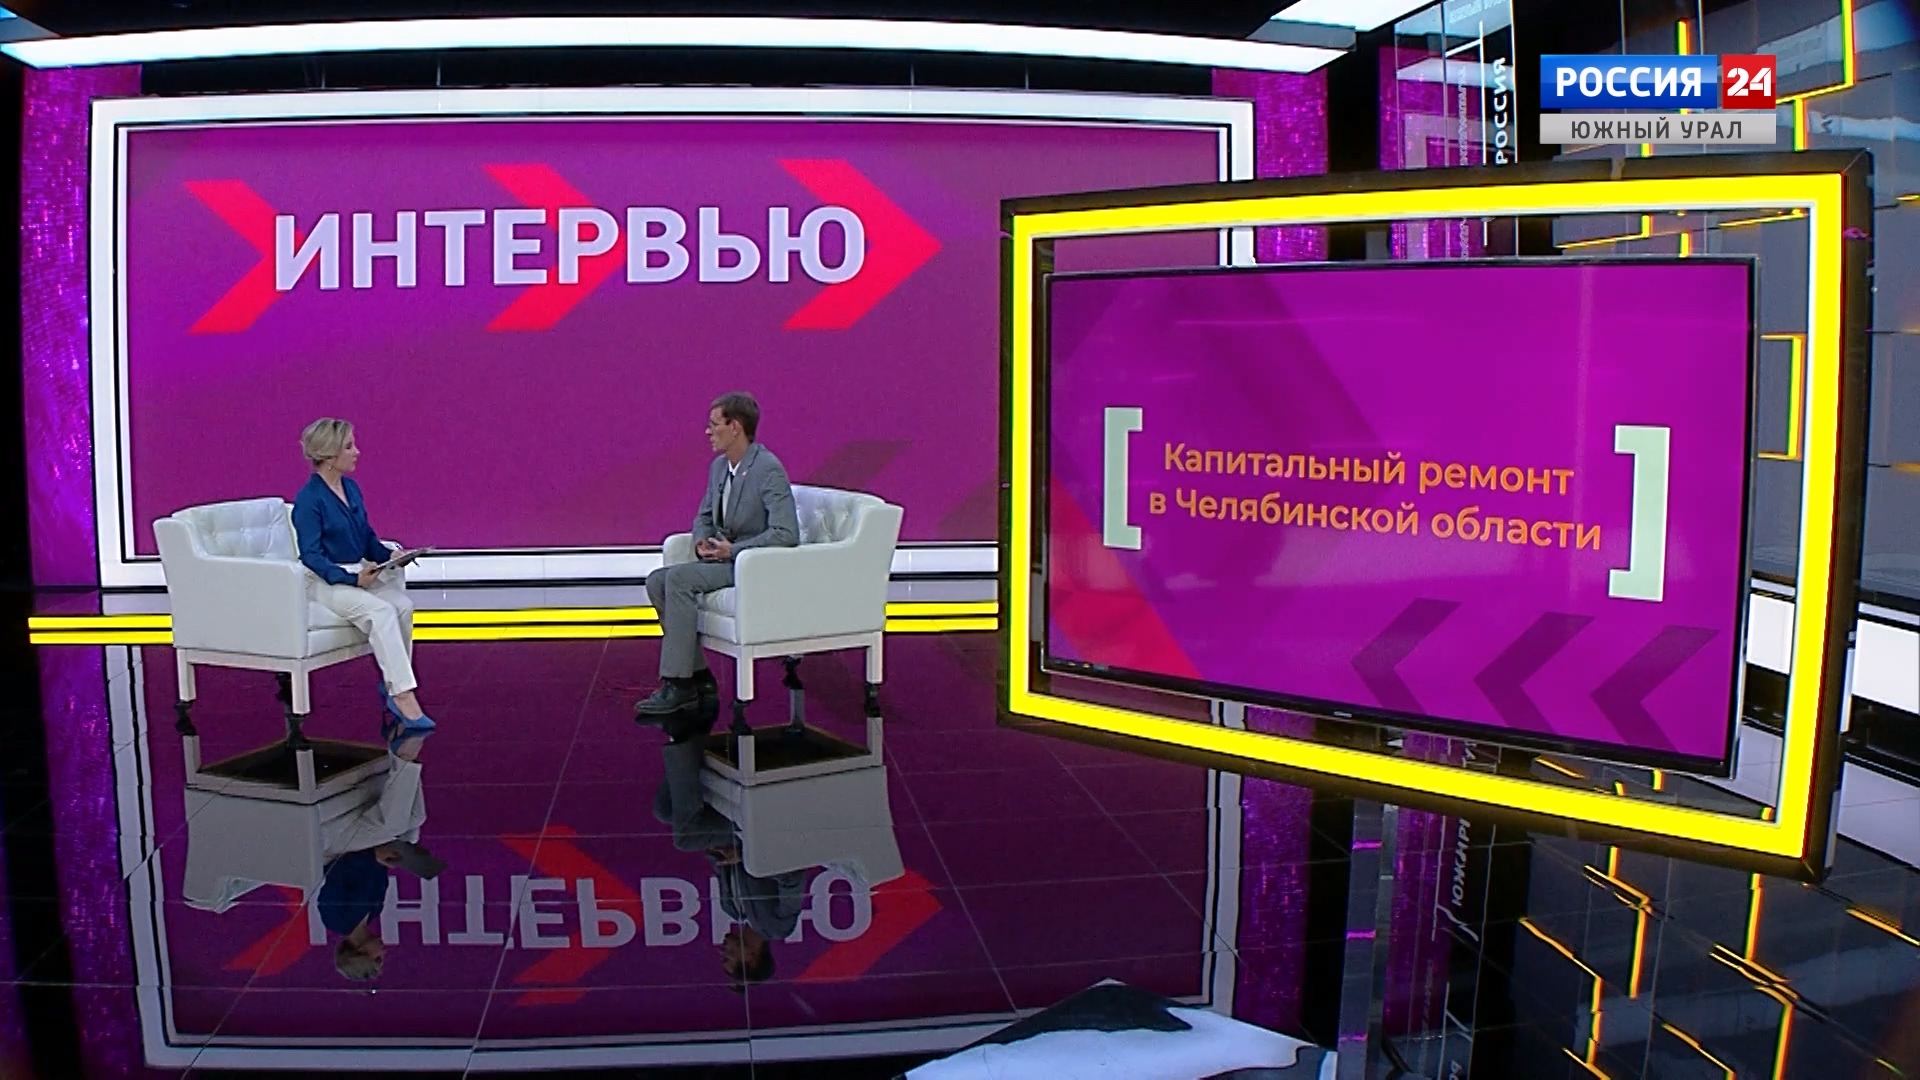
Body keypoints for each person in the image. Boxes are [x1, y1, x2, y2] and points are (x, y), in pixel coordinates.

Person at [635, 392, 800, 717]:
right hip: (723, 557)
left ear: (735, 427)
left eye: (714, 425)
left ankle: (678, 684)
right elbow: (705, 516)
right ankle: (699, 676)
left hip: (750, 565)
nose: (708, 432)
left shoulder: (768, 469)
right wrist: (701, 541)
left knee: (678, 580)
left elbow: (786, 533)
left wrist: (733, 550)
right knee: (657, 581)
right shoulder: (719, 467)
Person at [292, 418, 434, 734]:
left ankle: (393, 683)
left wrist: (389, 557)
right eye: (349, 446)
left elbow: (366, 537)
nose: (357, 452)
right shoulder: (308, 500)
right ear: (329, 455)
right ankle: (403, 696)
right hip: (326, 581)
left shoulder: (351, 489)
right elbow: (311, 556)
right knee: (380, 611)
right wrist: (352, 580)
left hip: (358, 572)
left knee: (402, 606)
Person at [651, 736, 803, 989]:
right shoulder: (778, 926)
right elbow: (793, 877)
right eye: (728, 958)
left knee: (665, 811)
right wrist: (746, 857)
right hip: (757, 834)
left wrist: (716, 854)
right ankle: (686, 744)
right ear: (751, 958)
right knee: (686, 837)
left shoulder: (730, 909)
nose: (722, 951)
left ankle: (688, 740)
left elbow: (721, 865)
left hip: (733, 835)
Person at [319, 732, 445, 982]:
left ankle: (404, 754)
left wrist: (373, 856)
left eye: (377, 958)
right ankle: (407, 759)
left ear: (359, 953)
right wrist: (397, 858)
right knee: (415, 822)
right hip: (366, 848)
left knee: (392, 825)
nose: (383, 953)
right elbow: (377, 870)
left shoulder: (335, 919)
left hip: (341, 848)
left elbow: (333, 873)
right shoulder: (374, 911)